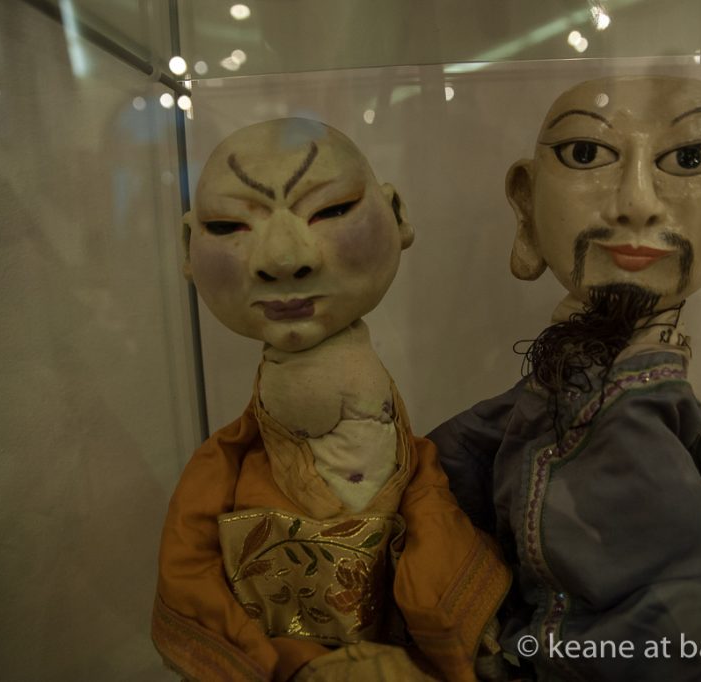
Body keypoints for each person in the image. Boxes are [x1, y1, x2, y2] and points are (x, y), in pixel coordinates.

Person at [428, 77, 701, 680]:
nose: (636, 202)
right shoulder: (549, 387)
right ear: (525, 204)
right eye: (585, 153)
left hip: (688, 600)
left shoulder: (658, 381)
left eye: (690, 159)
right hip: (566, 613)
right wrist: (410, 478)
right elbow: (481, 441)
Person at [152, 118, 509, 682]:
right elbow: (188, 567)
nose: (283, 258)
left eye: (332, 209)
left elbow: (427, 512)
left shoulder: (414, 454)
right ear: (187, 247)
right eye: (228, 225)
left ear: (397, 214)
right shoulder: (223, 468)